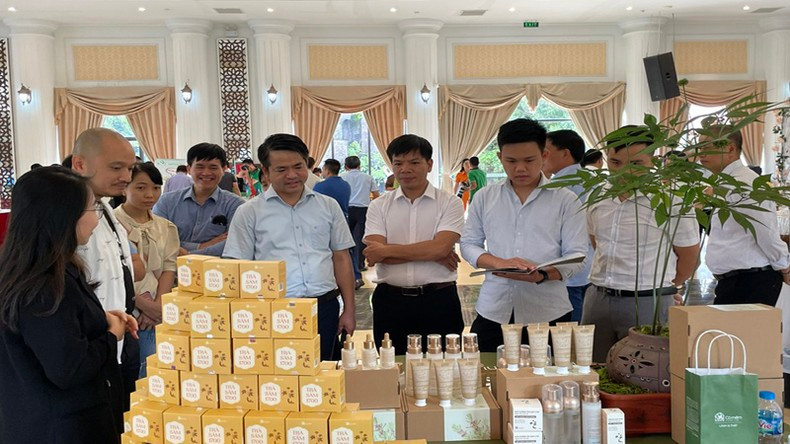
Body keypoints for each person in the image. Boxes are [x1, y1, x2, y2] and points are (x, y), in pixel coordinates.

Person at [0, 167, 138, 444]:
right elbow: (69, 368)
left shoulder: (27, 270)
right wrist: (111, 335)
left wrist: (99, 320)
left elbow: (52, 335)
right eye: (92, 210)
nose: (96, 222)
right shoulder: (43, 284)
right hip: (60, 427)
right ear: (63, 216)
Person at [223, 134, 356, 361]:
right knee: (278, 381)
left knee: (322, 379)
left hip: (323, 307)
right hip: (272, 312)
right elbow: (238, 268)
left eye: (298, 166)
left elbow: (341, 258)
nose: (292, 175)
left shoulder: (328, 206)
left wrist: (349, 310)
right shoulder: (249, 212)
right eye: (282, 169)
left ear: (307, 165)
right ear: (265, 172)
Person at [460, 120, 588, 352]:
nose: (520, 168)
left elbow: (578, 255)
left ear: (544, 155)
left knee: (547, 380)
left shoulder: (565, 199)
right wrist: (498, 262)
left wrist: (542, 275)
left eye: (529, 160)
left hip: (549, 311)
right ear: (500, 157)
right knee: (487, 375)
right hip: (493, 309)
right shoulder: (485, 198)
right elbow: (469, 243)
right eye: (511, 161)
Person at [581, 126, 700, 362]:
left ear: (653, 161)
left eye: (635, 164)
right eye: (615, 162)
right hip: (598, 298)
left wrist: (667, 287)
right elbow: (597, 243)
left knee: (645, 373)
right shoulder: (597, 197)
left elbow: (689, 256)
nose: (624, 172)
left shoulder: (671, 201)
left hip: (648, 300)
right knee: (594, 369)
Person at [363, 134, 465, 355]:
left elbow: (440, 248)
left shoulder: (450, 203)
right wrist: (432, 251)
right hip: (390, 301)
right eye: (398, 163)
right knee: (394, 370)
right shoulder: (378, 206)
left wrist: (437, 250)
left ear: (429, 164)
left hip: (439, 300)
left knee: (445, 369)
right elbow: (374, 255)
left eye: (414, 162)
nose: (405, 169)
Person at [71, 127, 141, 409]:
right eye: (116, 167)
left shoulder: (107, 208)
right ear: (80, 164)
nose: (126, 176)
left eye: (130, 168)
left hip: (120, 335)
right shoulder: (67, 217)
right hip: (87, 347)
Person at [698, 125, 790, 305]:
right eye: (699, 148)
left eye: (707, 147)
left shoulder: (747, 184)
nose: (701, 154)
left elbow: (765, 232)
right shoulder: (726, 182)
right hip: (735, 282)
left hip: (752, 281)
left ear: (730, 148)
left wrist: (784, 266)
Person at [114, 162, 179, 378]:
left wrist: (158, 306)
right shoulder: (110, 223)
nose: (150, 195)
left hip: (156, 310)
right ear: (124, 188)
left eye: (156, 188)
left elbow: (169, 267)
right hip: (122, 307)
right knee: (127, 370)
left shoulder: (166, 227)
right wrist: (142, 305)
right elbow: (113, 273)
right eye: (140, 188)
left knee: (151, 368)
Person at [153, 143, 245, 257]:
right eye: (200, 167)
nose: (206, 173)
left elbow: (232, 243)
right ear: (189, 169)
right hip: (171, 271)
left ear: (223, 169)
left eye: (213, 167)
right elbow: (157, 238)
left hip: (217, 271)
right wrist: (202, 246)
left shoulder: (236, 205)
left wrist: (187, 253)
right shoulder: (166, 202)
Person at [542, 129, 592, 322]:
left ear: (565, 153)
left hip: (565, 268)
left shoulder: (557, 186)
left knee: (568, 328)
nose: (542, 156)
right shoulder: (591, 180)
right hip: (589, 265)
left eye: (546, 150)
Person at [315, 159, 364, 289]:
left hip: (323, 222)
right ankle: (356, 276)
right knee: (347, 250)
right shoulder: (345, 185)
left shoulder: (319, 186)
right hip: (344, 218)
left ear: (326, 170)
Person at [343, 155, 380, 272]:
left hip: (346, 209)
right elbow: (376, 195)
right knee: (360, 238)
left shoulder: (342, 177)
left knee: (345, 238)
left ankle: (347, 264)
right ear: (359, 165)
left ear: (346, 166)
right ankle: (359, 264)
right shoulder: (367, 177)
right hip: (363, 210)